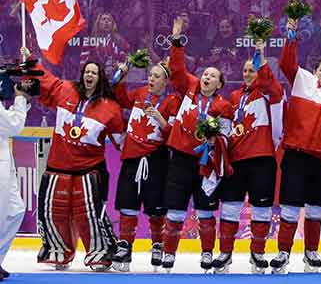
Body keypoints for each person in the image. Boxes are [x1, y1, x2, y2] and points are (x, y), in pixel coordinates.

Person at [30, 52, 125, 271]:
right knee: (54, 212)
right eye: (87, 72)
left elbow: (120, 140)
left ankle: (100, 253)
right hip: (58, 166)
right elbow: (46, 79)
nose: (89, 75)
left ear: (100, 78)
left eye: (94, 73)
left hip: (89, 170)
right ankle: (58, 252)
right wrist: (31, 63)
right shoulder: (66, 89)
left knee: (90, 215)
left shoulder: (111, 107)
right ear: (82, 75)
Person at [160, 14, 234, 272]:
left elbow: (226, 137)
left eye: (212, 76)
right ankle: (169, 253)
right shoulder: (190, 88)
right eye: (205, 74)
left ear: (219, 84)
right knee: (175, 210)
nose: (206, 77)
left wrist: (214, 138)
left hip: (206, 164)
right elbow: (177, 68)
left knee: (205, 212)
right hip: (181, 159)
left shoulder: (224, 106)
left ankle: (206, 253)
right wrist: (176, 40)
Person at [273, 14, 321, 273]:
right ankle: (283, 253)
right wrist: (290, 37)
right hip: (298, 156)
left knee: (315, 210)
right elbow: (286, 63)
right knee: (291, 208)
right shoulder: (302, 80)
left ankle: (311, 252)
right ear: (315, 71)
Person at [216, 38, 283, 273]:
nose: (247, 74)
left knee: (261, 209)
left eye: (252, 70)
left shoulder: (269, 93)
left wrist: (260, 54)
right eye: (245, 70)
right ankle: (225, 253)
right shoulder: (234, 96)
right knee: (230, 207)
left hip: (262, 158)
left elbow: (269, 82)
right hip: (236, 160)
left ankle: (258, 253)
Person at [109, 54, 176, 272]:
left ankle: (157, 244)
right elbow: (120, 98)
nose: (151, 79)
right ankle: (125, 246)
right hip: (132, 157)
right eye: (150, 75)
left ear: (165, 81)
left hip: (156, 159)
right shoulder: (140, 93)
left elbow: (173, 134)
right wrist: (123, 74)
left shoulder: (172, 101)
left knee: (156, 206)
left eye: (156, 76)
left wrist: (160, 119)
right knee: (128, 202)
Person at [0, 73, 28, 276]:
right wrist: (19, 98)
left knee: (15, 210)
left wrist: (21, 101)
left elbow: (7, 123)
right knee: (2, 214)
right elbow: (14, 125)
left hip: (4, 161)